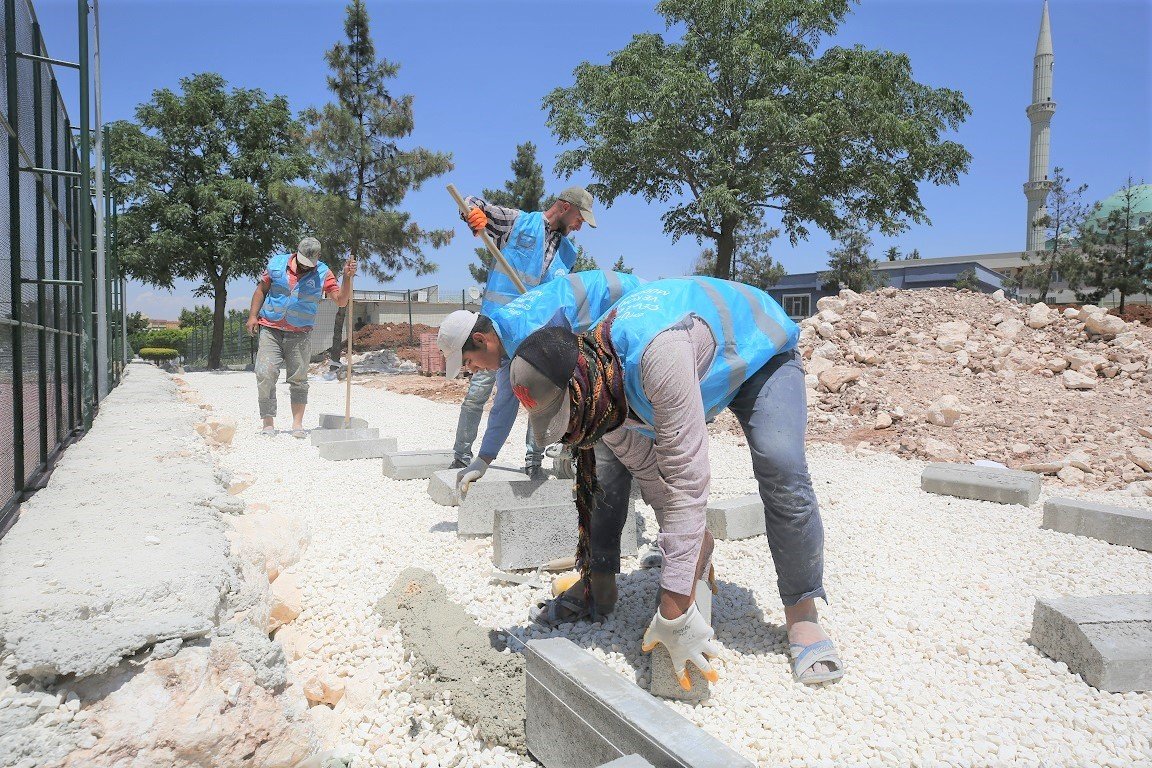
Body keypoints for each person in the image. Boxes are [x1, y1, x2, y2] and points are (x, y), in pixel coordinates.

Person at [508, 276, 844, 689]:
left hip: (760, 353)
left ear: (581, 391)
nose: (571, 435)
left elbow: (687, 479)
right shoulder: (602, 396)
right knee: (623, 465)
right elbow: (654, 476)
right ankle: (623, 576)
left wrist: (674, 609)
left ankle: (803, 614)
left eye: (567, 421)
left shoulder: (655, 357)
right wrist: (692, 546)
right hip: (704, 369)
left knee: (781, 466)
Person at [436, 269, 644, 496]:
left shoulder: (531, 336)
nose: (474, 371)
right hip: (608, 297)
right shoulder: (505, 337)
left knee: (620, 387)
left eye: (469, 362)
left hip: (623, 298)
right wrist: (483, 460)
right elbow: (504, 406)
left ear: (480, 339)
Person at [450, 186, 597, 475]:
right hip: (493, 334)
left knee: (536, 395)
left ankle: (533, 461)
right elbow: (470, 202)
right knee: (479, 394)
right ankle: (461, 456)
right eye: (581, 217)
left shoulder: (568, 251)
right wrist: (473, 214)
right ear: (565, 207)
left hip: (532, 336)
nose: (581, 225)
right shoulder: (518, 223)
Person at [246, 237, 356, 437]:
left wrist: (347, 278)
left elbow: (340, 301)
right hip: (271, 328)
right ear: (296, 253)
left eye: (310, 265)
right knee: (265, 373)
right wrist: (253, 316)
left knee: (298, 378)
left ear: (318, 258)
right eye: (303, 264)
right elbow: (261, 290)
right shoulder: (276, 263)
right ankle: (268, 422)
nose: (305, 269)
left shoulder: (323, 273)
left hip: (300, 333)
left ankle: (297, 424)